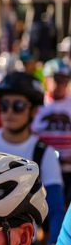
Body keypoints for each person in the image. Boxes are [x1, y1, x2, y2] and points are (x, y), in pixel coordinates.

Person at [0, 72, 64, 245]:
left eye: (18, 106)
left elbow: (55, 208)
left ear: (33, 111)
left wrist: (54, 244)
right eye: (4, 105)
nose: (9, 112)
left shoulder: (44, 153)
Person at [33, 58, 71, 199]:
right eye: (57, 78)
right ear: (46, 79)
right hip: (42, 169)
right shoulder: (37, 105)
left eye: (65, 79)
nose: (61, 84)